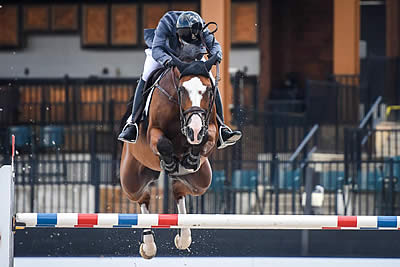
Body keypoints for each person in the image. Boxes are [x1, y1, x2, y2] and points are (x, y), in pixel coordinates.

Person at [118, 11, 242, 149]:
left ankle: (222, 128)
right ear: (178, 32)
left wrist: (217, 54)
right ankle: (132, 124)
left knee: (210, 81)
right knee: (146, 75)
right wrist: (167, 60)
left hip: (192, 55)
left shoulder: (199, 24)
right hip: (164, 54)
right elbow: (157, 49)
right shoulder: (167, 22)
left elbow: (215, 45)